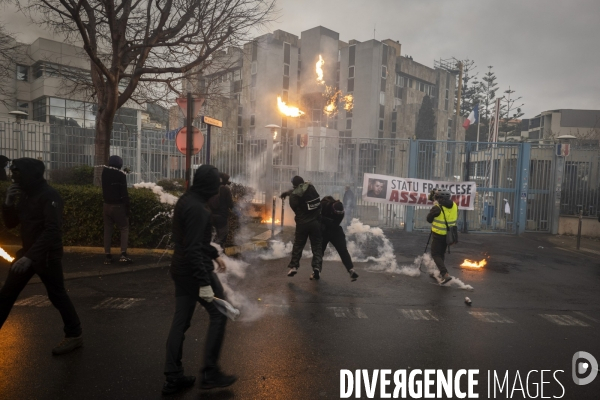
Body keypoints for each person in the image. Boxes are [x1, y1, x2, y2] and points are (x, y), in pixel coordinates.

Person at [162, 165, 236, 396]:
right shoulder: (199, 209)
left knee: (180, 321)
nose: (217, 190)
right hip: (195, 271)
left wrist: (214, 254)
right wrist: (204, 283)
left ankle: (173, 376)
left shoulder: (186, 200)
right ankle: (210, 372)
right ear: (208, 186)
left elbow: (187, 241)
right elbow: (194, 249)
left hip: (180, 269)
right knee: (220, 313)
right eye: (215, 185)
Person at [0, 158, 83, 355]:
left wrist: (30, 257)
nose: (13, 178)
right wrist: (8, 203)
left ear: (30, 174)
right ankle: (75, 334)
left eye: (17, 174)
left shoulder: (49, 195)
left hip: (46, 256)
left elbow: (52, 230)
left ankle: (74, 335)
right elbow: (12, 224)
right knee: (6, 295)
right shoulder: (26, 194)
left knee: (57, 295)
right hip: (28, 254)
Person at [280, 176, 323, 280]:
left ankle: (294, 267)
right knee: (317, 246)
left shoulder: (294, 196)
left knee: (298, 245)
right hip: (316, 223)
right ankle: (316, 268)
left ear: (294, 184)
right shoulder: (311, 188)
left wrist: (288, 193)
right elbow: (302, 190)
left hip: (302, 224)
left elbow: (295, 206)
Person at [102, 155, 132, 264]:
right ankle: (123, 254)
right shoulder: (121, 174)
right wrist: (127, 207)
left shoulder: (104, 172)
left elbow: (112, 178)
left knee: (108, 230)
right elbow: (124, 192)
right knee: (124, 228)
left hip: (106, 205)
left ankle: (107, 256)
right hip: (118, 206)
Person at [320, 196, 359, 281]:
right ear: (332, 208)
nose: (338, 214)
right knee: (319, 251)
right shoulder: (323, 205)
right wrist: (325, 220)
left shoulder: (341, 212)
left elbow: (335, 224)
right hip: (324, 231)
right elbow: (316, 216)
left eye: (339, 213)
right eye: (336, 212)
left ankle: (351, 269)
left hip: (335, 230)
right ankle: (316, 270)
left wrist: (329, 221)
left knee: (343, 250)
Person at [426, 188, 457, 285]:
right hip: (449, 235)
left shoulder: (437, 208)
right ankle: (440, 273)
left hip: (438, 234)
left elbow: (429, 219)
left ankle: (445, 274)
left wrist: (434, 207)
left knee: (435, 254)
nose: (436, 198)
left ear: (441, 198)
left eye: (437, 197)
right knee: (441, 254)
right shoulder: (454, 205)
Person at [208, 172, 234, 248]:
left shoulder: (211, 188)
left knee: (212, 236)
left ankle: (215, 251)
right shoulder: (226, 189)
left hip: (211, 216)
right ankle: (214, 251)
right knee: (222, 236)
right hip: (222, 217)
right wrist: (237, 212)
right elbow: (230, 204)